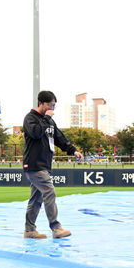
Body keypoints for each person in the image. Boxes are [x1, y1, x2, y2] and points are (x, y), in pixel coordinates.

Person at [23, 90, 83, 239]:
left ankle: (29, 230)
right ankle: (56, 228)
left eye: (54, 105)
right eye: (50, 105)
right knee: (49, 191)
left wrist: (73, 150)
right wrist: (46, 118)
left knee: (36, 198)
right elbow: (36, 133)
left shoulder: (49, 121)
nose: (52, 109)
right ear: (41, 103)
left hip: (44, 164)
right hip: (34, 164)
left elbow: (59, 138)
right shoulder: (30, 118)